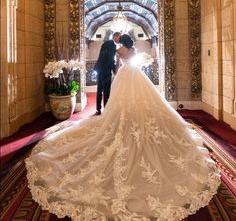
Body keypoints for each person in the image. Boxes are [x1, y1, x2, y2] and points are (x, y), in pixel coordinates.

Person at [25, 34, 220, 221]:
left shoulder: (119, 51)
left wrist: (116, 69)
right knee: (143, 103)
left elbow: (116, 66)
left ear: (122, 43)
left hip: (125, 76)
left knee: (122, 105)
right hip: (136, 76)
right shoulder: (134, 50)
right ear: (131, 43)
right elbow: (135, 61)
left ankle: (123, 120)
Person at [94, 32, 121, 115]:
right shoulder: (112, 45)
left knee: (99, 89)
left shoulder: (106, 43)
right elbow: (110, 58)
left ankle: (98, 109)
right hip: (106, 70)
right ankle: (106, 109)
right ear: (115, 36)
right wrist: (114, 69)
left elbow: (103, 56)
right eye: (119, 37)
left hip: (99, 68)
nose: (120, 40)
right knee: (106, 90)